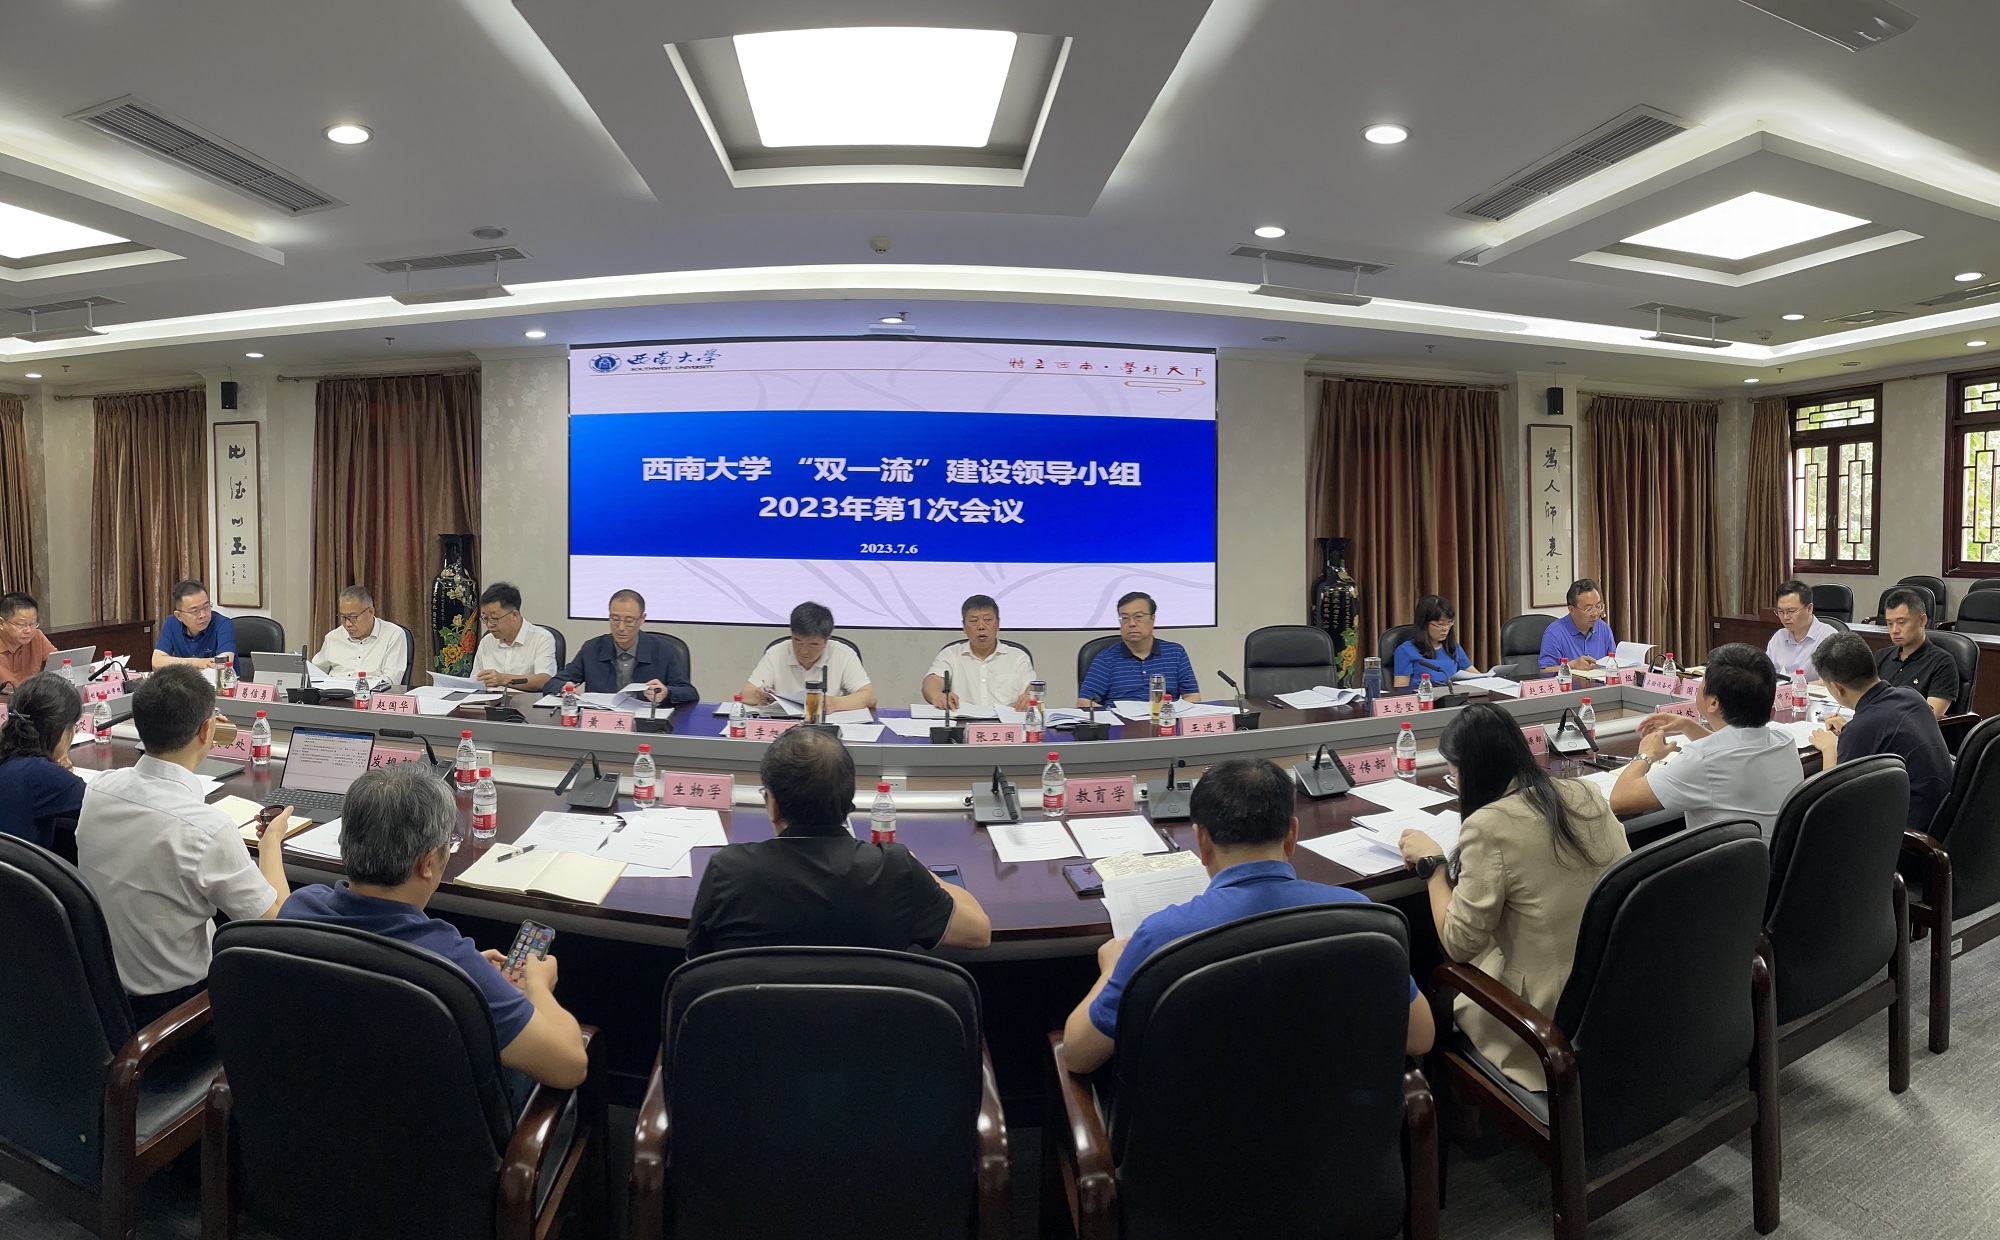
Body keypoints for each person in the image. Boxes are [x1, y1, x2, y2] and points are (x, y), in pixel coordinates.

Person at [1062, 758, 1432, 1074]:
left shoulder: (1161, 937)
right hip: (1335, 1131)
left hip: (1192, 1135)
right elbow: (1420, 1037)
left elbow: (1078, 1055)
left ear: (1201, 841)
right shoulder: (1358, 918)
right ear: (1292, 834)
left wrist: (1111, 970)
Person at [281, 764, 589, 1090]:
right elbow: (570, 1066)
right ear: (427, 862)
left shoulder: (297, 910)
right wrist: (538, 986)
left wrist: (467, 977)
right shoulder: (450, 959)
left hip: (310, 1102)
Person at [1396, 705, 1628, 1090]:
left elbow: (1458, 945)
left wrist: (1434, 866)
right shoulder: (1585, 791)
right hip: (1617, 992)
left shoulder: (1487, 827)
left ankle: (1457, 1112)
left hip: (1549, 1021)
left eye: (1454, 777)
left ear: (1472, 773)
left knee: (1439, 975)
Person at [74, 666, 292, 1026]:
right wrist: (270, 844)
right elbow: (277, 925)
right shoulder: (207, 829)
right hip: (178, 1012)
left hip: (102, 994)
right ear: (207, 731)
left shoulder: (100, 789)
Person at [686, 727, 988, 957]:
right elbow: (978, 931)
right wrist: (919, 871)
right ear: (848, 800)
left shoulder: (728, 870)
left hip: (755, 1022)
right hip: (869, 1022)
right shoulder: (894, 870)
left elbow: (697, 962)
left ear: (773, 805)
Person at [1610, 643, 1802, 835]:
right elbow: (1730, 750)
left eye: (1702, 681)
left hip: (1726, 854)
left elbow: (1619, 799)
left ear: (1713, 703)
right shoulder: (1784, 741)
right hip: (1770, 852)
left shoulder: (1701, 760)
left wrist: (1646, 755)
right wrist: (1688, 726)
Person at [1809, 633, 1953, 832]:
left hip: (1910, 835)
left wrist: (1830, 749)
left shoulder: (1859, 731)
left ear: (1837, 688)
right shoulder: (1911, 696)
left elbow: (1833, 807)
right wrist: (1850, 729)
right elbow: (1885, 731)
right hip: (1945, 817)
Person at [547, 589, 697, 705]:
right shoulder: (592, 649)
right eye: (615, 619)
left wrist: (666, 693)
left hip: (646, 724)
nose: (621, 627)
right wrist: (564, 688)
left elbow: (690, 692)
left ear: (642, 619)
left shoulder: (663, 650)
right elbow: (553, 683)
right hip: (602, 722)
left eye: (629, 621)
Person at [0, 671, 86, 850]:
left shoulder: (13, 760)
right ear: (61, 730)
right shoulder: (42, 775)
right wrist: (61, 774)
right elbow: (100, 803)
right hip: (20, 867)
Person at [741, 601, 876, 713]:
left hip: (827, 728)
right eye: (797, 641)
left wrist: (833, 703)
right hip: (785, 726)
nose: (804, 651)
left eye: (813, 644)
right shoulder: (777, 652)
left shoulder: (843, 654)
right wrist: (759, 694)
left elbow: (869, 696)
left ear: (826, 640)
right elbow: (745, 694)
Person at [1077, 591, 1200, 708]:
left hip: (1165, 719)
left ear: (1152, 619)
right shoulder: (1106, 658)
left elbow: (1193, 696)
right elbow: (1084, 702)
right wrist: (1113, 716)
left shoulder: (1175, 653)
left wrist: (1169, 712)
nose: (1131, 623)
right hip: (1120, 721)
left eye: (1138, 617)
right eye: (1125, 618)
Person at [923, 594, 1038, 712]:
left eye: (988, 620)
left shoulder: (1018, 657)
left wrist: (1030, 696)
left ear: (998, 624)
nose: (981, 626)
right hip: (962, 721)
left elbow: (1031, 687)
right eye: (973, 621)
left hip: (1007, 721)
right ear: (964, 626)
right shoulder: (951, 654)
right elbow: (933, 680)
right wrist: (937, 696)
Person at [1874, 588, 1959, 719]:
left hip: (1909, 730)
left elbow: (1929, 717)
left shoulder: (1942, 663)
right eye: (1889, 623)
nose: (1894, 630)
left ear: (1922, 620)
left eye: (1901, 623)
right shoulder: (1881, 656)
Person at [471, 582, 559, 691]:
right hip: (489, 700)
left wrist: (503, 679)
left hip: (526, 700)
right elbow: (475, 681)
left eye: (494, 618)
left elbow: (545, 680)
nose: (489, 625)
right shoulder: (486, 641)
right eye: (485, 618)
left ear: (514, 615)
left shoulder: (542, 638)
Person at [312, 584, 410, 682]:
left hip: (371, 691)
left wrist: (357, 686)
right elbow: (315, 673)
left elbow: (390, 680)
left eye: (353, 617)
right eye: (343, 617)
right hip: (335, 691)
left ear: (370, 612)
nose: (347, 624)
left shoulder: (393, 635)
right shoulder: (333, 637)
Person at [151, 579, 238, 671]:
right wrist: (198, 663)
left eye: (206, 607)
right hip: (186, 680)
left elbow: (224, 663)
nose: (203, 615)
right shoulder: (172, 623)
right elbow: (157, 661)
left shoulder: (223, 624)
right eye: (194, 611)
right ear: (179, 616)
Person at [1393, 594, 1476, 687]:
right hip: (1424, 695)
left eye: (1449, 623)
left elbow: (1475, 676)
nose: (1445, 628)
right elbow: (1401, 688)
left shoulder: (1453, 647)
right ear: (1424, 624)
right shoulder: (1405, 651)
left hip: (1453, 694)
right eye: (1440, 624)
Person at [1537, 578, 1616, 669]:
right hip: (1569, 679)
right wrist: (1573, 665)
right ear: (1571, 610)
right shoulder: (1554, 633)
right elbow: (1545, 671)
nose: (1595, 613)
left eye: (1598, 606)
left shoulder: (1604, 628)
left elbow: (1613, 662)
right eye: (1588, 609)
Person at [1766, 579, 1836, 679]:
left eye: (1791, 611)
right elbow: (1767, 674)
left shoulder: (1829, 637)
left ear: (1809, 609)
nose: (1785, 617)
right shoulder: (1778, 637)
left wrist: (1799, 686)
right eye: (1780, 611)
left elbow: (1834, 681)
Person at [0, 591, 57, 689]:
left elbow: (60, 663)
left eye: (33, 624)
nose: (29, 631)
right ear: (1, 623)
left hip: (31, 698)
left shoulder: (37, 637)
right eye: (21, 625)